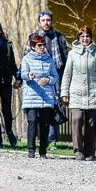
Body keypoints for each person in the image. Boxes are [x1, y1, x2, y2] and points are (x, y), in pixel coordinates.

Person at [60, 27, 96, 161]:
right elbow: (67, 74)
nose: (85, 39)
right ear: (78, 38)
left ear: (91, 38)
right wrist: (64, 92)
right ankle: (78, 150)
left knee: (91, 123)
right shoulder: (72, 54)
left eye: (87, 36)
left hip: (92, 93)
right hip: (76, 93)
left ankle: (90, 152)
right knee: (77, 119)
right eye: (82, 36)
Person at [26, 11, 68, 150]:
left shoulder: (59, 37)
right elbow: (26, 57)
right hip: (36, 80)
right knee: (37, 114)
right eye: (43, 20)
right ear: (39, 22)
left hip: (54, 76)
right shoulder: (33, 37)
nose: (46, 23)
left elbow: (65, 58)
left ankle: (53, 140)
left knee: (53, 107)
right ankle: (40, 141)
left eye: (48, 20)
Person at [21, 34, 59, 158]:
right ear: (33, 46)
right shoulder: (26, 58)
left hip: (46, 96)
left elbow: (56, 77)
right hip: (31, 95)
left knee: (45, 123)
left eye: (43, 45)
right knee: (32, 121)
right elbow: (22, 74)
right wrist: (29, 76)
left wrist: (48, 79)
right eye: (39, 45)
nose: (42, 47)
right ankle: (31, 150)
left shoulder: (49, 59)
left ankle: (43, 151)